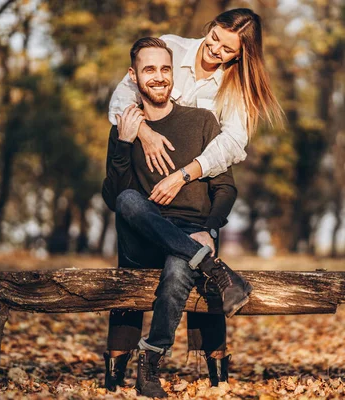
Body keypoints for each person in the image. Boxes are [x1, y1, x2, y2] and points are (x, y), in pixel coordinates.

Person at [102, 37, 252, 398]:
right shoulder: (125, 129)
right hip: (142, 238)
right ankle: (214, 269)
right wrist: (124, 145)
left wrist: (209, 229)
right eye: (148, 69)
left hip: (190, 235)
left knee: (177, 267)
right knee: (129, 199)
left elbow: (225, 188)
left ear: (173, 74)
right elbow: (113, 197)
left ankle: (150, 359)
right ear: (133, 77)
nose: (158, 76)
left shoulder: (201, 121)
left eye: (165, 69)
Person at [109, 8, 284, 207]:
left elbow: (233, 141)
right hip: (147, 173)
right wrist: (145, 133)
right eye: (214, 37)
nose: (215, 49)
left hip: (192, 189)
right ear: (211, 26)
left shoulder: (236, 88)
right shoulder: (170, 48)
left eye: (227, 50)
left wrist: (184, 175)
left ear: (239, 56)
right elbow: (120, 99)